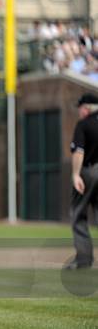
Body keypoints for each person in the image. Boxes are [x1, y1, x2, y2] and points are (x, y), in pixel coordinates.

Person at [67, 92, 98, 270]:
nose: (79, 112)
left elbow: (79, 151)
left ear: (86, 108)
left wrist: (75, 175)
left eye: (80, 108)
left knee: (78, 214)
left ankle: (84, 259)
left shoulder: (84, 124)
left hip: (90, 171)